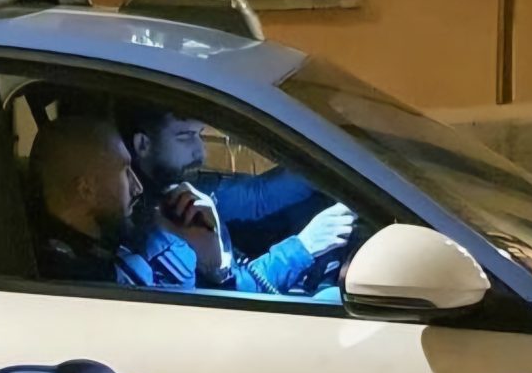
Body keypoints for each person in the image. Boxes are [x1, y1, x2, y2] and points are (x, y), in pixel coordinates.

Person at [117, 104, 355, 294]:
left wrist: (336, 164)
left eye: (199, 135)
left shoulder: (176, 189)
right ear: (143, 144)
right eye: (185, 136)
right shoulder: (155, 239)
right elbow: (233, 298)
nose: (201, 152)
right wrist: (305, 246)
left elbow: (258, 196)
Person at [28, 114, 215, 287]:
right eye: (125, 172)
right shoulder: (88, 278)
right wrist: (209, 259)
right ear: (86, 189)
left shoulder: (95, 246)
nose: (137, 187)